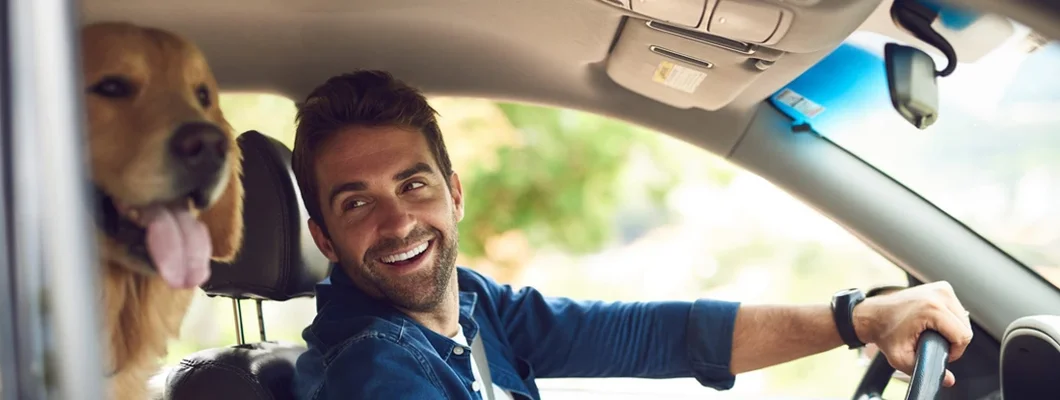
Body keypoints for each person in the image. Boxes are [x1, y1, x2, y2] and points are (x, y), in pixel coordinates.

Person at [288, 70, 974, 400]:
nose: (398, 221)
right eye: (357, 204)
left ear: (454, 193)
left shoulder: (470, 308)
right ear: (325, 237)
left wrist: (855, 317)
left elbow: (656, 335)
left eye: (414, 186)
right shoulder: (372, 372)